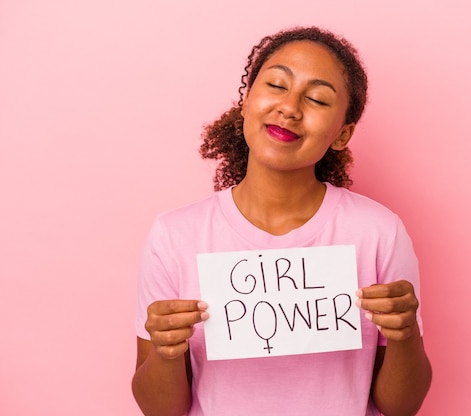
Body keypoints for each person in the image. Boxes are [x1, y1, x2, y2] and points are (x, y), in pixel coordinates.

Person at [132, 26, 432, 416]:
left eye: (317, 99)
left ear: (342, 135)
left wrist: (406, 335)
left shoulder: (379, 233)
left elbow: (401, 408)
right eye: (276, 84)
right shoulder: (175, 236)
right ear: (246, 101)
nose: (290, 107)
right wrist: (165, 351)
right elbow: (160, 411)